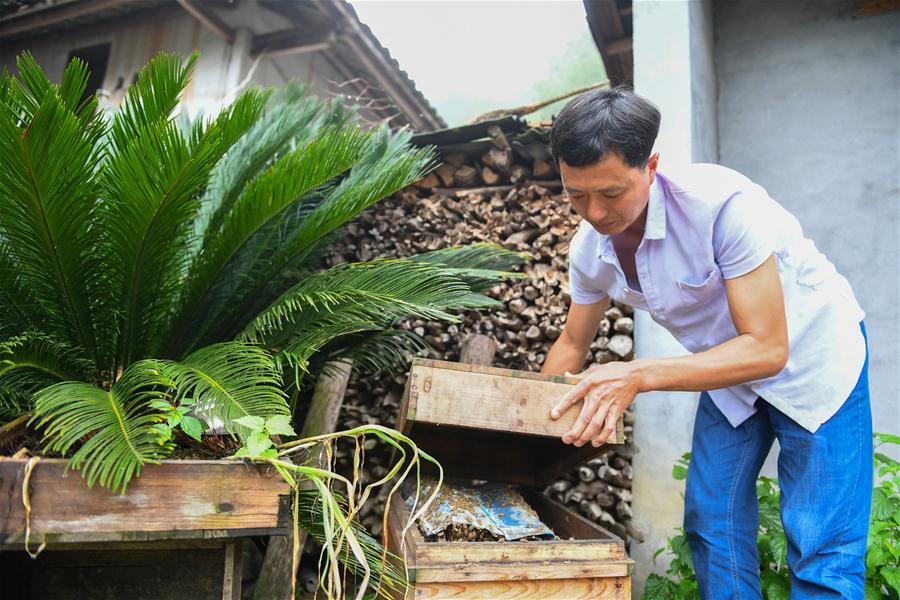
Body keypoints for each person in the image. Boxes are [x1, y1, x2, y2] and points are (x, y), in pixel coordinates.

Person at [541, 87, 871, 599]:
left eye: (610, 193)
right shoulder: (590, 252)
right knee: (711, 524)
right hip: (729, 375)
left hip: (813, 357)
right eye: (576, 195)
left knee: (821, 550)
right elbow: (570, 342)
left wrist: (637, 375)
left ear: (650, 166)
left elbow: (767, 348)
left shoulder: (720, 207)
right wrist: (528, 429)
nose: (595, 213)